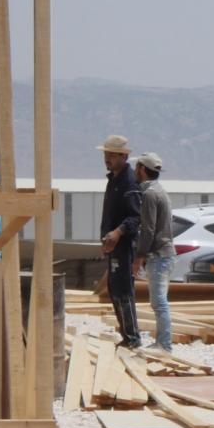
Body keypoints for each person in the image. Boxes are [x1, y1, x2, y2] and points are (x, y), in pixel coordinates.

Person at [97, 134, 142, 347]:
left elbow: (135, 217)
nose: (107, 158)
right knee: (115, 289)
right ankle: (126, 335)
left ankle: (133, 338)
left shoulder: (129, 182)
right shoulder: (114, 179)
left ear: (123, 156)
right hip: (114, 245)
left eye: (111, 155)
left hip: (124, 246)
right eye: (106, 154)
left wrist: (117, 232)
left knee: (123, 291)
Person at [130, 153, 176, 353]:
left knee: (159, 303)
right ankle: (161, 343)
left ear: (141, 168)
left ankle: (164, 345)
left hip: (159, 255)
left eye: (136, 168)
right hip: (165, 253)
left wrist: (138, 258)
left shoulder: (149, 194)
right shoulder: (160, 191)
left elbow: (148, 229)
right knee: (159, 301)